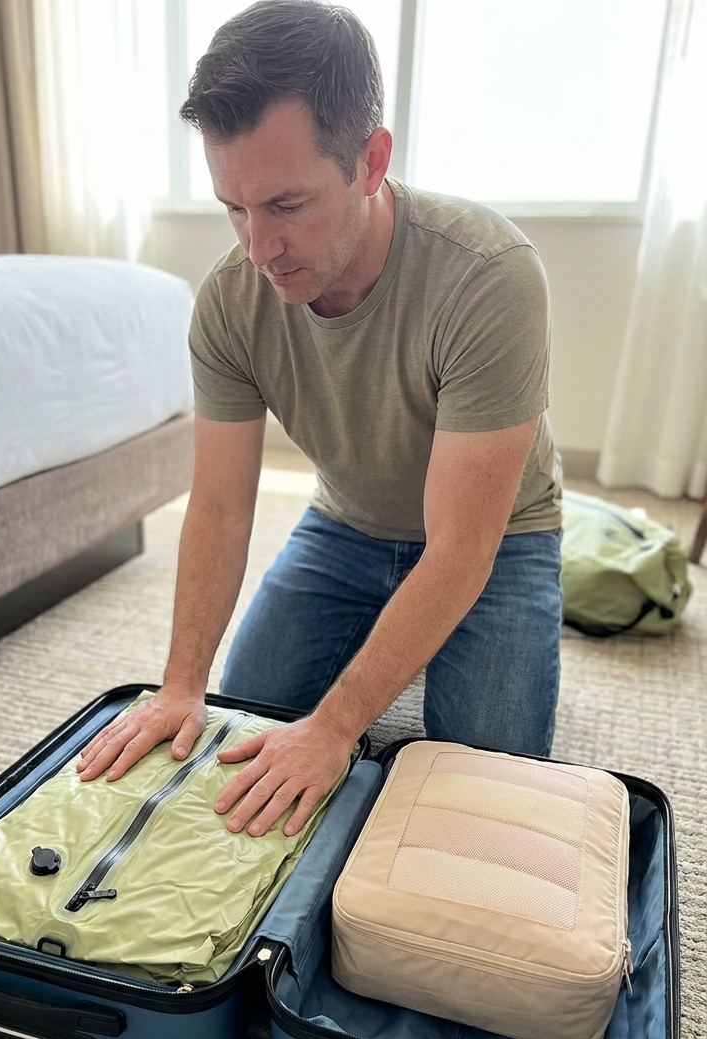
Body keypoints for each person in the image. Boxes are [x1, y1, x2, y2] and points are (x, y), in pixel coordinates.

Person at [78, 0, 563, 839]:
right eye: (234, 208)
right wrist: (181, 685)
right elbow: (220, 507)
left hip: (500, 537)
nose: (259, 247)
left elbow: (461, 546)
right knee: (247, 714)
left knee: (482, 782)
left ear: (370, 161)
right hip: (347, 526)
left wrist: (337, 728)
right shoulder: (230, 302)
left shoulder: (490, 275)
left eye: (287, 204)